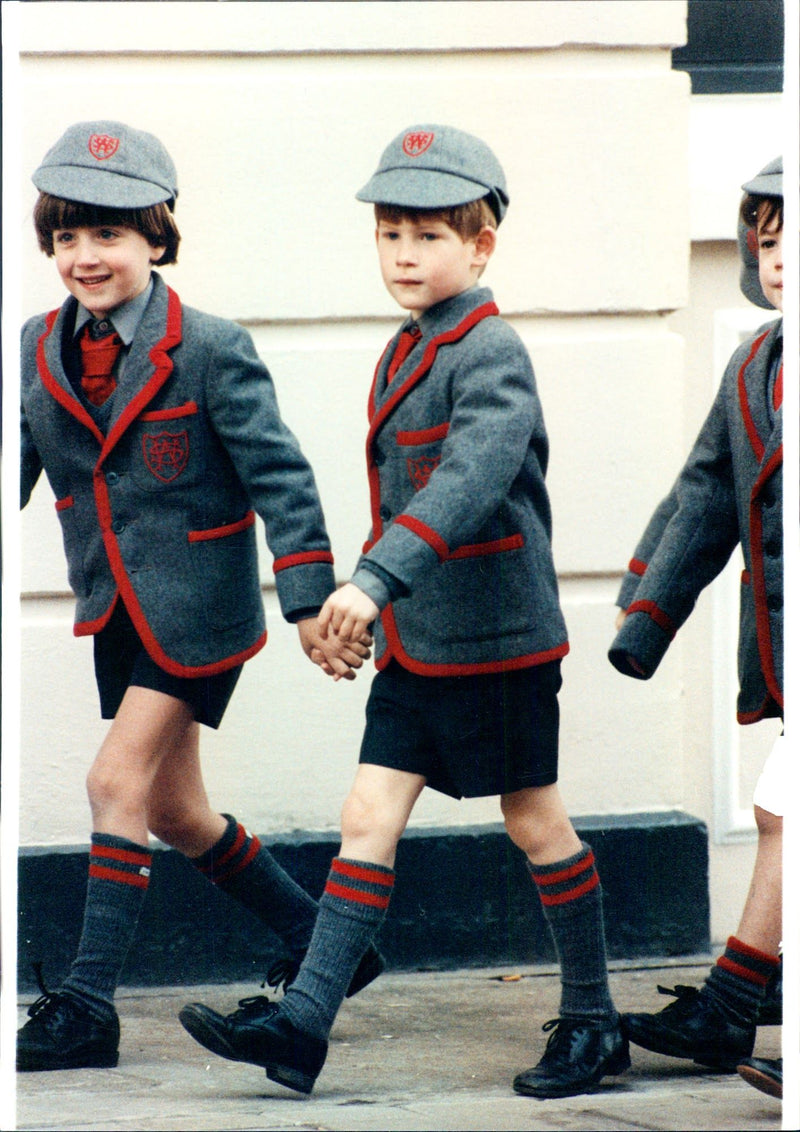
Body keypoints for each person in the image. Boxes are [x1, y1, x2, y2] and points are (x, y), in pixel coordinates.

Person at [179, 123, 628, 1100]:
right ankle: (302, 1027)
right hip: (421, 648)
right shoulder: (403, 348)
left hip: (499, 644)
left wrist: (372, 580)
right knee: (365, 813)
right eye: (389, 236)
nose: (404, 255)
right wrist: (377, 606)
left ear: (480, 246)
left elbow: (468, 480)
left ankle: (593, 1021)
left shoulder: (492, 350)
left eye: (426, 236)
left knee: (533, 821)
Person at [17, 120, 380, 1073]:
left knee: (111, 782)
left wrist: (307, 602)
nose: (83, 258)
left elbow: (282, 478)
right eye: (65, 237)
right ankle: (330, 945)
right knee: (175, 811)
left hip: (200, 609)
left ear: (157, 236)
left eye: (107, 235)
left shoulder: (212, 348)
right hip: (113, 606)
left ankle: (88, 1009)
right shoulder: (37, 345)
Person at [608, 157, 784, 1093]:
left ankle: (731, 1002)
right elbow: (707, 492)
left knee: (780, 812)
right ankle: (733, 1002)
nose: (780, 255)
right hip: (786, 651)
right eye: (768, 236)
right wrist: (647, 616)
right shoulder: (756, 364)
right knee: (781, 812)